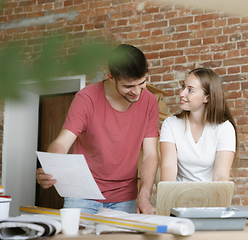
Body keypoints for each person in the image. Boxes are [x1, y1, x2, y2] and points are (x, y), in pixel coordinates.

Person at [36, 44, 159, 215]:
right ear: (110, 77)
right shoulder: (86, 99)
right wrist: (52, 166)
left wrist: (144, 195)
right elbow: (62, 143)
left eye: (142, 83)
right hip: (81, 194)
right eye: (129, 86)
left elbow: (151, 154)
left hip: (125, 197)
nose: (137, 92)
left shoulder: (150, 102)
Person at [160, 68, 237, 182]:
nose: (182, 93)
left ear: (207, 98)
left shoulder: (224, 128)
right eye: (183, 87)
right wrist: (168, 198)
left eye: (190, 90)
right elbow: (168, 168)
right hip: (179, 195)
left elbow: (221, 176)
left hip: (209, 196)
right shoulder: (170, 124)